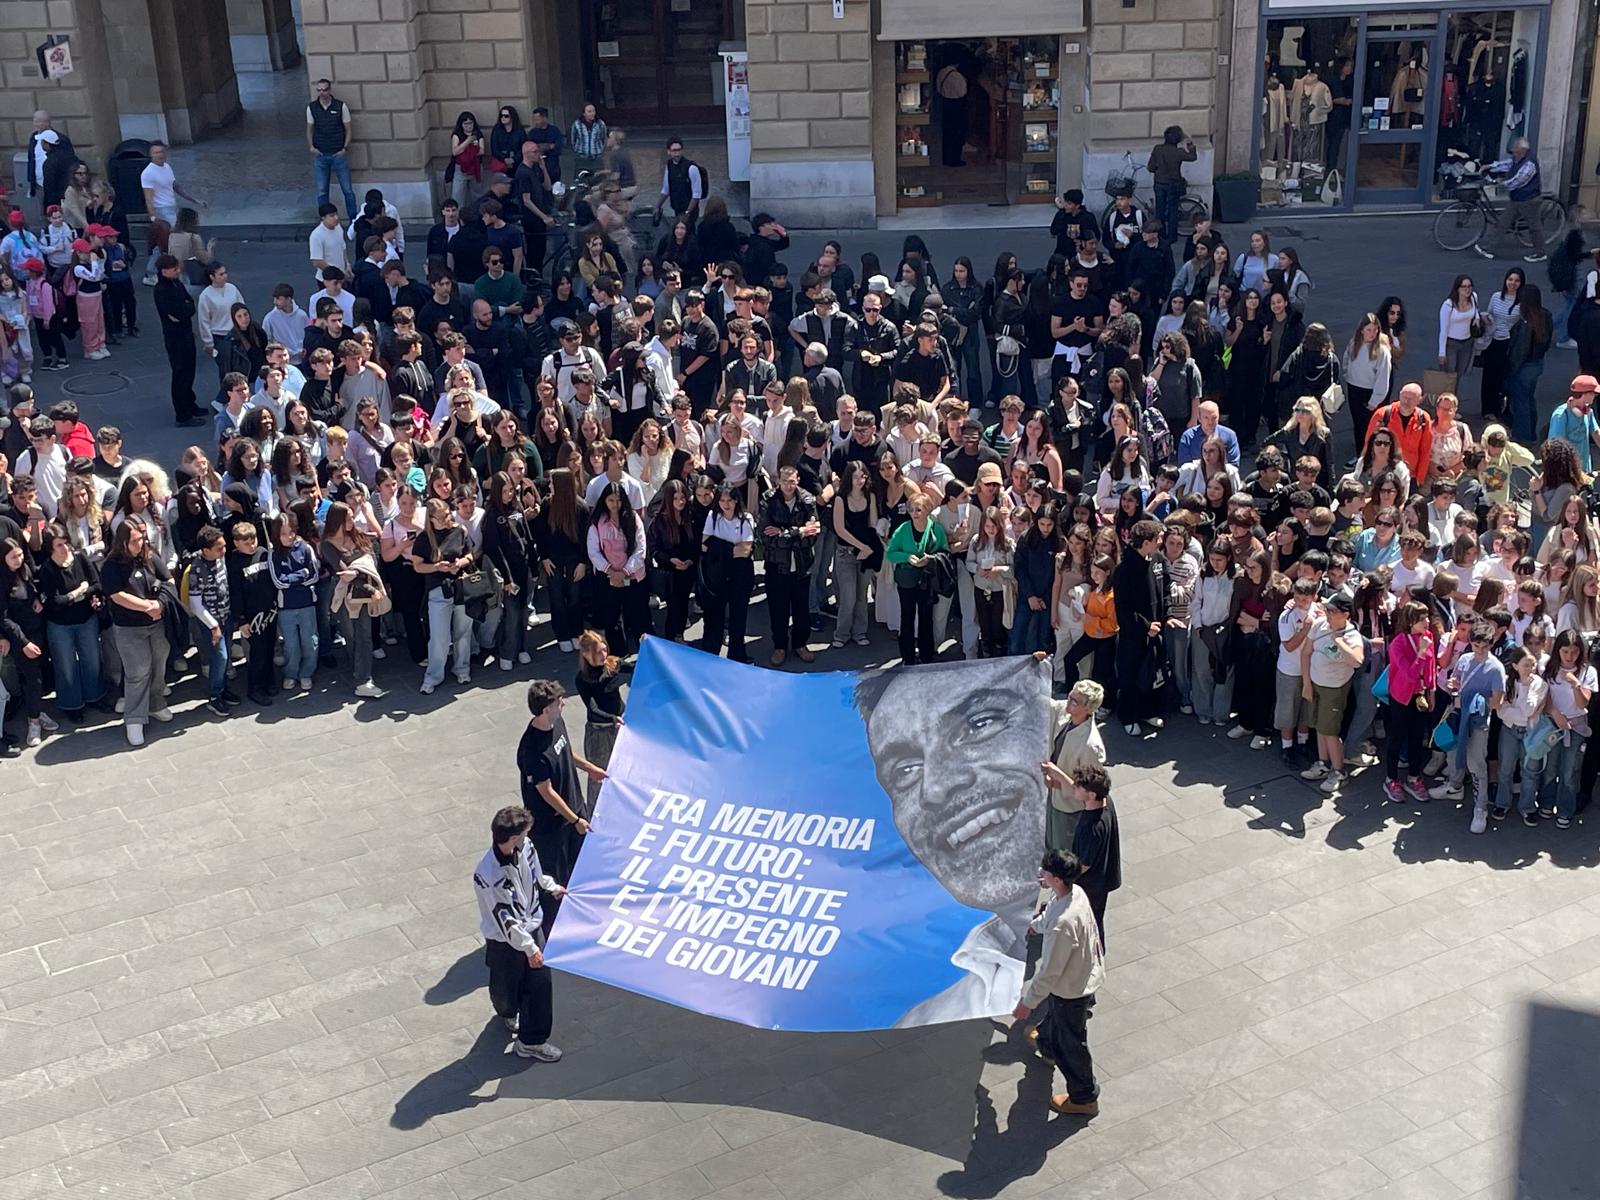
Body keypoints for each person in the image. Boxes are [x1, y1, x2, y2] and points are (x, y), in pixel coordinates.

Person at [1011, 847, 1104, 1118]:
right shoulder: (1076, 893)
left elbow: (1050, 972)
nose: (1041, 874)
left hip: (1072, 989)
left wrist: (1028, 1003)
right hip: (1080, 975)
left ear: (1058, 879)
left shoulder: (1063, 924)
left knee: (1071, 1044)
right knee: (1057, 1019)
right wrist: (1037, 925)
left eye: (1046, 872)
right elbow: (1051, 911)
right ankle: (1047, 1044)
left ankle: (1084, 1097)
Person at [473, 804, 566, 1060]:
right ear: (513, 837)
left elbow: (536, 872)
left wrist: (552, 887)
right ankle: (507, 1010)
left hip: (531, 926)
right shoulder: (489, 875)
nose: (528, 836)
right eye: (524, 833)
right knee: (505, 986)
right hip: (505, 941)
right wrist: (530, 948)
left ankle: (531, 1042)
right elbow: (506, 921)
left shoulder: (525, 847)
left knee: (540, 985)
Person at [518, 678, 607, 886]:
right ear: (546, 709)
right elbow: (546, 791)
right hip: (552, 826)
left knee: (584, 862)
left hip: (575, 806)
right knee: (559, 877)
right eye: (559, 702)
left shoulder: (556, 722)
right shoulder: (532, 750)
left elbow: (565, 751)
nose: (563, 704)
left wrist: (590, 768)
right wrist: (574, 821)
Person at [1112, 519, 1168, 736]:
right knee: (1130, 675)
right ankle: (1128, 716)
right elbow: (1123, 608)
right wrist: (1145, 626)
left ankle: (1148, 711)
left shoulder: (1157, 559)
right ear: (1146, 542)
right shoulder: (1123, 570)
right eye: (1157, 539)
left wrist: (1165, 617)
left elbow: (1164, 589)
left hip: (1155, 629)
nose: (1160, 543)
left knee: (1152, 673)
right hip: (1133, 635)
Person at [152, 255, 206, 427]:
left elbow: (190, 304)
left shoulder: (177, 284)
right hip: (175, 339)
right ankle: (182, 415)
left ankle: (190, 404)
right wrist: (185, 309)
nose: (178, 271)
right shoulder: (161, 290)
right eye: (174, 269)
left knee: (190, 372)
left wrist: (185, 309)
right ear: (164, 271)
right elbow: (176, 314)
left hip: (186, 333)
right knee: (180, 374)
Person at [1475, 138, 1546, 264]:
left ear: (1523, 151)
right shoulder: (1517, 158)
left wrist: (1499, 184)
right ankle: (1488, 249)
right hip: (1517, 199)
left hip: (1529, 200)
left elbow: (1518, 181)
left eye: (1515, 150)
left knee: (1534, 228)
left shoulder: (1529, 164)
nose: (1513, 152)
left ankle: (1540, 253)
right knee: (1503, 223)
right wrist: (1490, 166)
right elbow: (1507, 164)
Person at [307, 79, 358, 219]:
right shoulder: (312, 107)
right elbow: (309, 128)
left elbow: (348, 128)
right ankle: (325, 220)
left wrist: (345, 148)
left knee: (347, 190)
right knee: (322, 191)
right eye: (319, 90)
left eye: (324, 89)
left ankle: (353, 220)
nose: (322, 93)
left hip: (338, 154)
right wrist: (311, 147)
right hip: (321, 154)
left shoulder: (341, 106)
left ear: (329, 90)